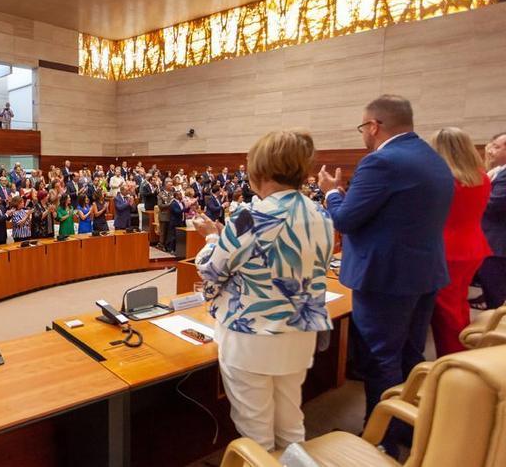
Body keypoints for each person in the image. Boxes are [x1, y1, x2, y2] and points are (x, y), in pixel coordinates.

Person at [318, 95, 454, 430]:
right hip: (424, 273)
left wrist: (332, 193)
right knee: (411, 353)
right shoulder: (433, 158)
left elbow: (346, 220)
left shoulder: (382, 162)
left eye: (363, 127)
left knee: (381, 358)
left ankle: (381, 433)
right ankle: (407, 423)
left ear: (374, 126)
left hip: (385, 279)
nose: (363, 135)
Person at [195, 129, 334, 452]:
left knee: (255, 433)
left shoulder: (250, 217)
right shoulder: (321, 214)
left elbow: (211, 271)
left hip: (251, 339)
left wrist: (212, 238)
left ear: (260, 171)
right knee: (290, 423)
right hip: (300, 335)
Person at [427, 128, 492, 356]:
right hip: (473, 246)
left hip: (448, 250)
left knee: (445, 312)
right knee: (458, 303)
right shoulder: (481, 177)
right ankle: (462, 348)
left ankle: (452, 360)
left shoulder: (445, 181)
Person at [478, 132, 506, 309]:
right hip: (491, 241)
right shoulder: (497, 171)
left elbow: (493, 204)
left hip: (497, 244)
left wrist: (470, 200)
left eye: (496, 147)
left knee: (497, 298)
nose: (490, 150)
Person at [157, 179, 174, 250]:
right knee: (163, 232)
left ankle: (168, 245)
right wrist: (170, 204)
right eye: (170, 185)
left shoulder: (172, 193)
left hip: (171, 215)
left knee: (169, 232)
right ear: (166, 185)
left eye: (172, 185)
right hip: (164, 215)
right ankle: (161, 245)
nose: (171, 186)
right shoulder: (160, 194)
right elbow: (160, 205)